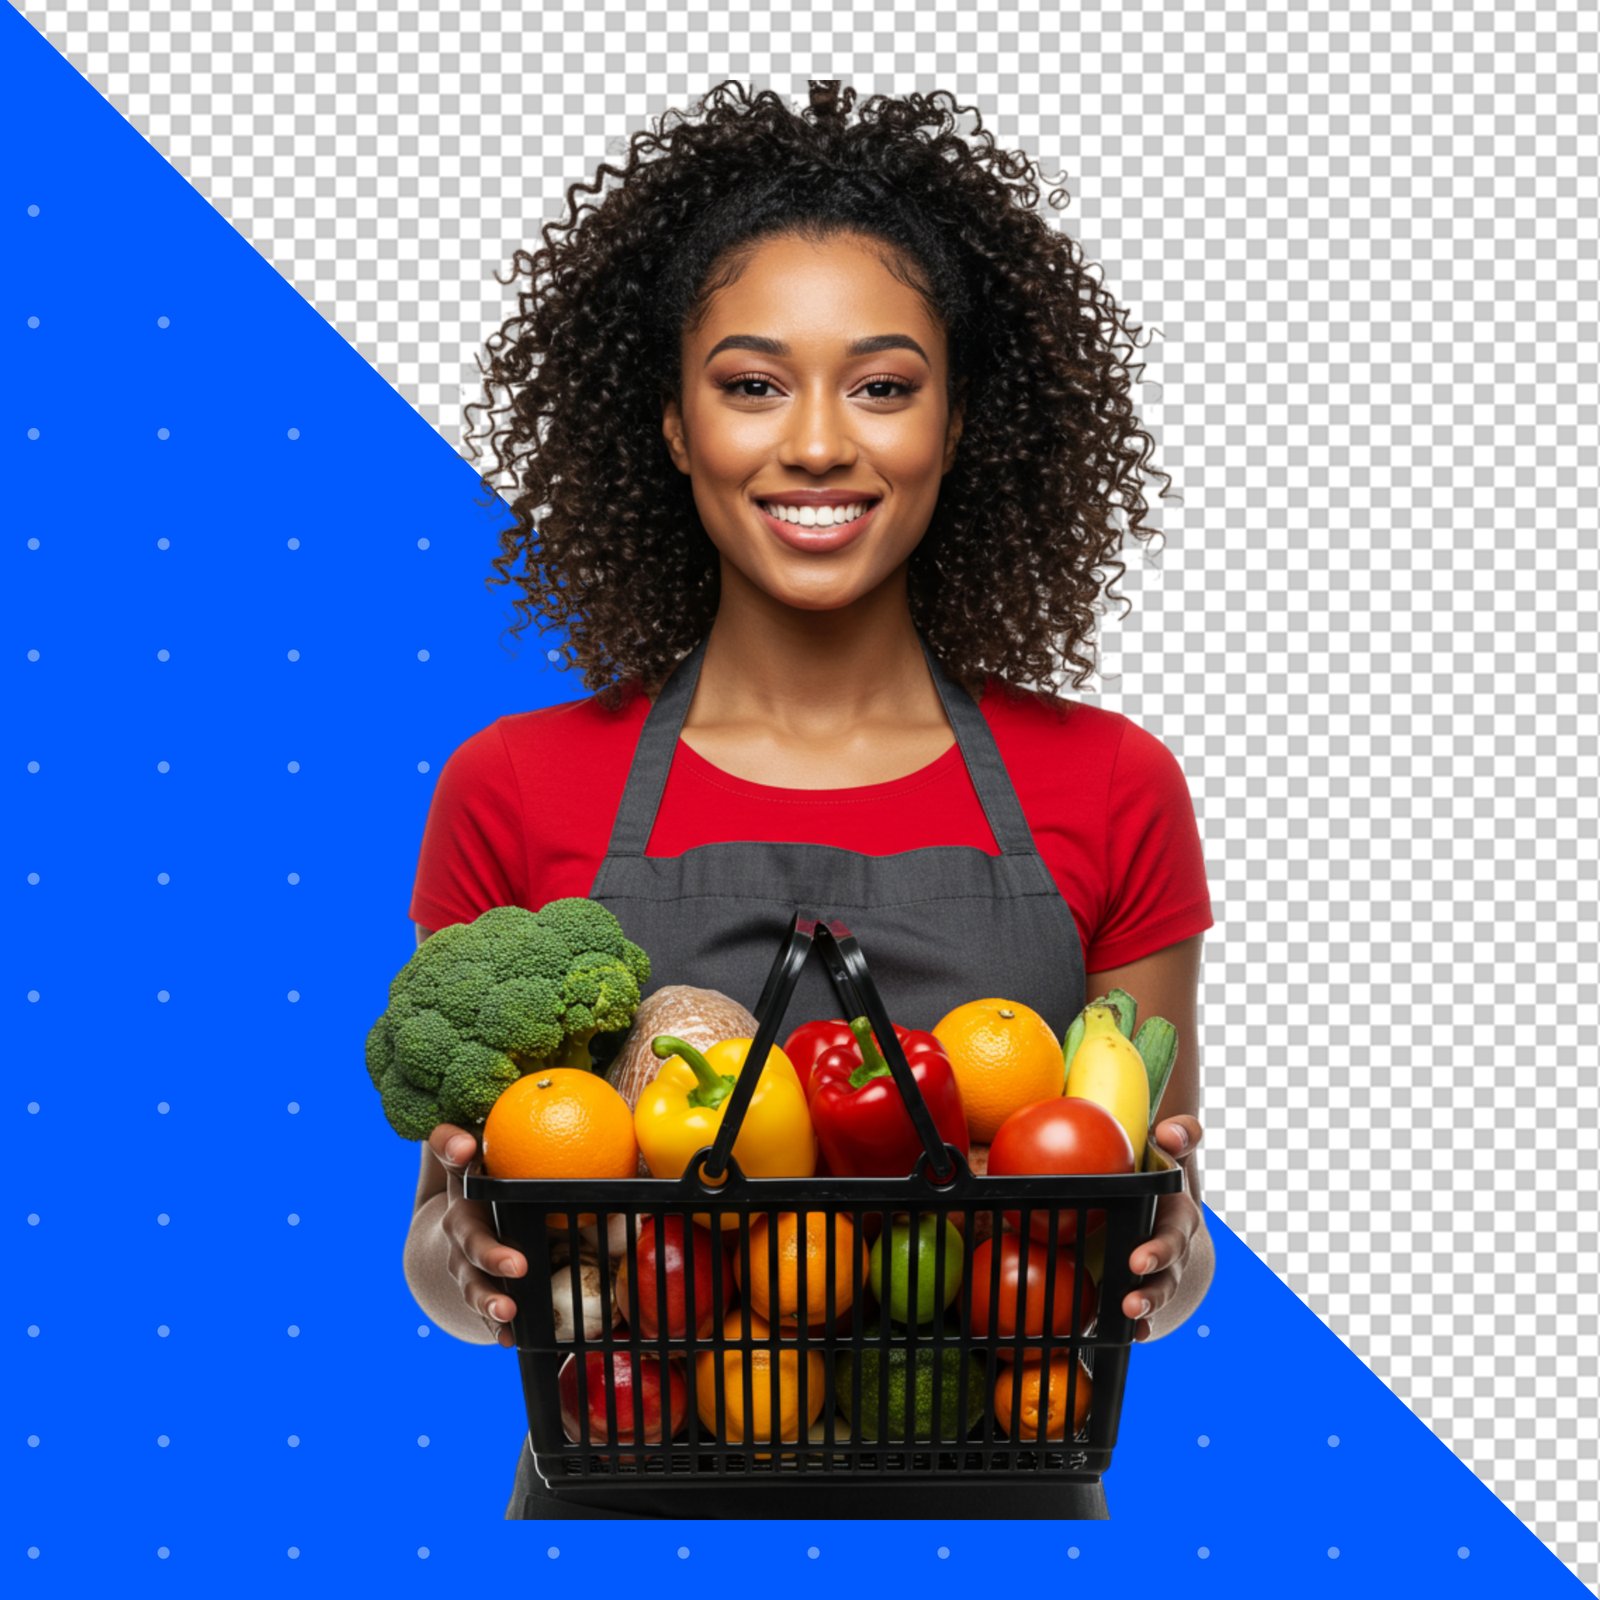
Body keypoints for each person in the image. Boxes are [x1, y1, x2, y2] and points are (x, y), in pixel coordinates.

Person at [402, 79, 1215, 1521]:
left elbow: (1160, 1200)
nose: (822, 444)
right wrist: (461, 1274)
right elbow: (443, 1240)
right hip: (618, 1497)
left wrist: (1174, 1265)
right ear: (670, 423)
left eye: (886, 385)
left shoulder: (1111, 782)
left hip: (1008, 1499)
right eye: (754, 382)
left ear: (961, 424)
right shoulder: (513, 784)